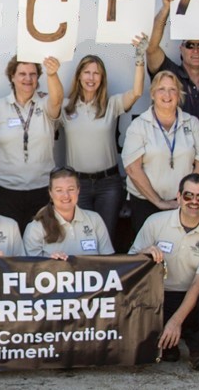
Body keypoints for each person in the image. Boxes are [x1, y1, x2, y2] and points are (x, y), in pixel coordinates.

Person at [129, 173, 199, 371]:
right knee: (168, 355)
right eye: (188, 196)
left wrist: (176, 322)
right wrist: (144, 253)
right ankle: (169, 345)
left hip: (193, 296)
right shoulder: (155, 222)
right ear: (178, 197)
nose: (194, 202)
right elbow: (130, 265)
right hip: (159, 298)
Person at [62, 35, 147, 242]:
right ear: (79, 76)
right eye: (87, 72)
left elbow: (136, 92)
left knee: (106, 237)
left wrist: (139, 57)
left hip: (108, 185)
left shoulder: (111, 104)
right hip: (77, 184)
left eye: (96, 74)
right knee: (81, 238)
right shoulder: (66, 107)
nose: (91, 78)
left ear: (102, 78)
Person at [0, 56, 64, 233]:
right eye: (22, 74)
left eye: (33, 74)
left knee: (41, 242)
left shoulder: (45, 103)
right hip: (5, 190)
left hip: (41, 189)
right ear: (12, 77)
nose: (28, 78)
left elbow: (57, 101)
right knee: (8, 245)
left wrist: (53, 74)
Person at [122, 70, 199, 237]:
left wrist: (185, 198)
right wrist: (159, 202)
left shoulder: (193, 124)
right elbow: (133, 168)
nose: (167, 94)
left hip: (183, 204)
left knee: (178, 253)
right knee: (148, 254)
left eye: (172, 89)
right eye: (161, 89)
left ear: (179, 94)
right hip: (145, 203)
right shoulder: (139, 125)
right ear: (153, 94)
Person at [146, 0, 199, 121]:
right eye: (190, 45)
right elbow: (151, 48)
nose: (196, 50)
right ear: (181, 48)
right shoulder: (168, 73)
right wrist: (165, 9)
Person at [23, 167, 113, 259]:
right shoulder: (35, 228)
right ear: (50, 193)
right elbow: (31, 269)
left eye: (71, 189)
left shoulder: (95, 219)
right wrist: (50, 262)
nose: (66, 195)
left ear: (78, 190)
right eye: (59, 190)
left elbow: (109, 263)